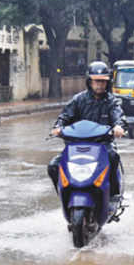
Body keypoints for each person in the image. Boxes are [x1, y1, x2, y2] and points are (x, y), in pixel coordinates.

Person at [48, 61, 125, 198]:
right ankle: (64, 195)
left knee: (113, 157)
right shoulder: (78, 100)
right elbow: (65, 116)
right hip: (77, 144)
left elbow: (117, 115)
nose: (100, 85)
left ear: (107, 83)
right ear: (89, 82)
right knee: (53, 166)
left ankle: (113, 195)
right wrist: (58, 127)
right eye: (96, 81)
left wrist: (118, 126)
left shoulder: (111, 101)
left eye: (103, 81)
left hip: (102, 145)